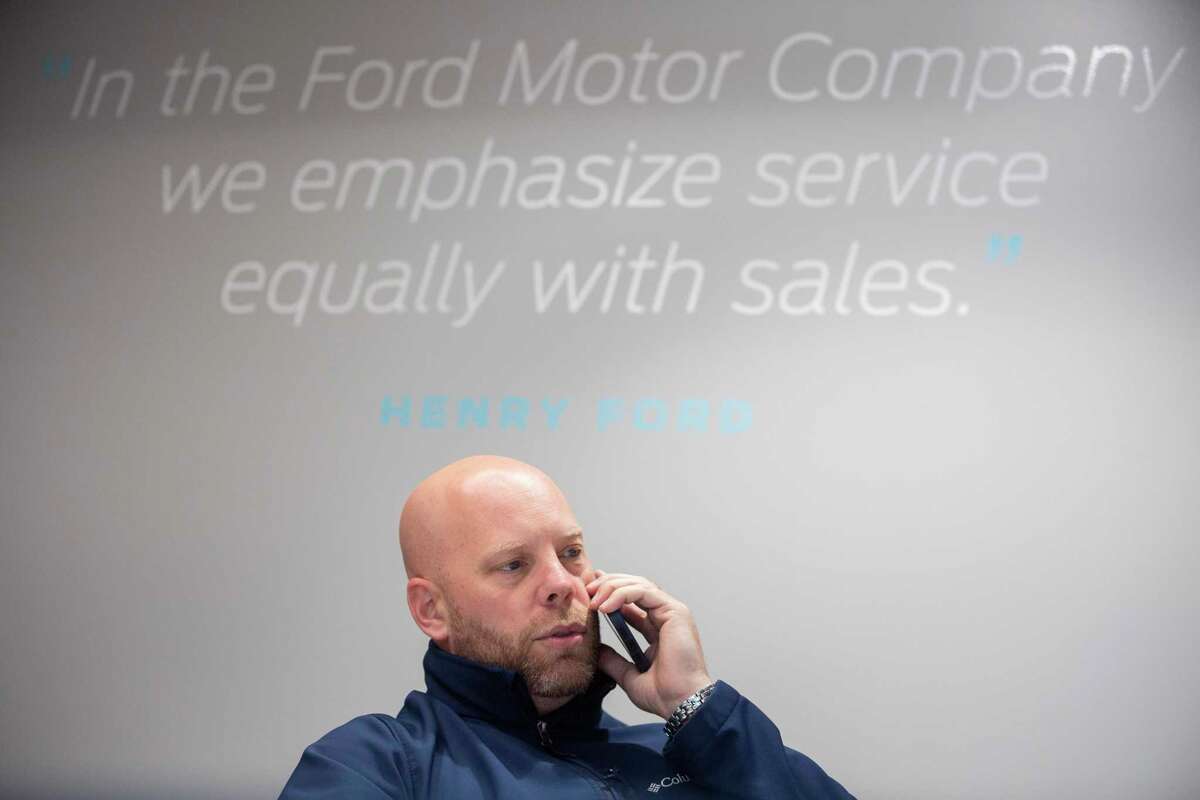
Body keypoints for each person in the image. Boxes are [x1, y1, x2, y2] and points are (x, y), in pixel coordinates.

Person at [279, 454, 856, 799]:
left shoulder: (683, 749)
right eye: (513, 564)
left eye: (572, 553)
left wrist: (695, 706)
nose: (565, 584)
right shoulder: (379, 763)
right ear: (432, 611)